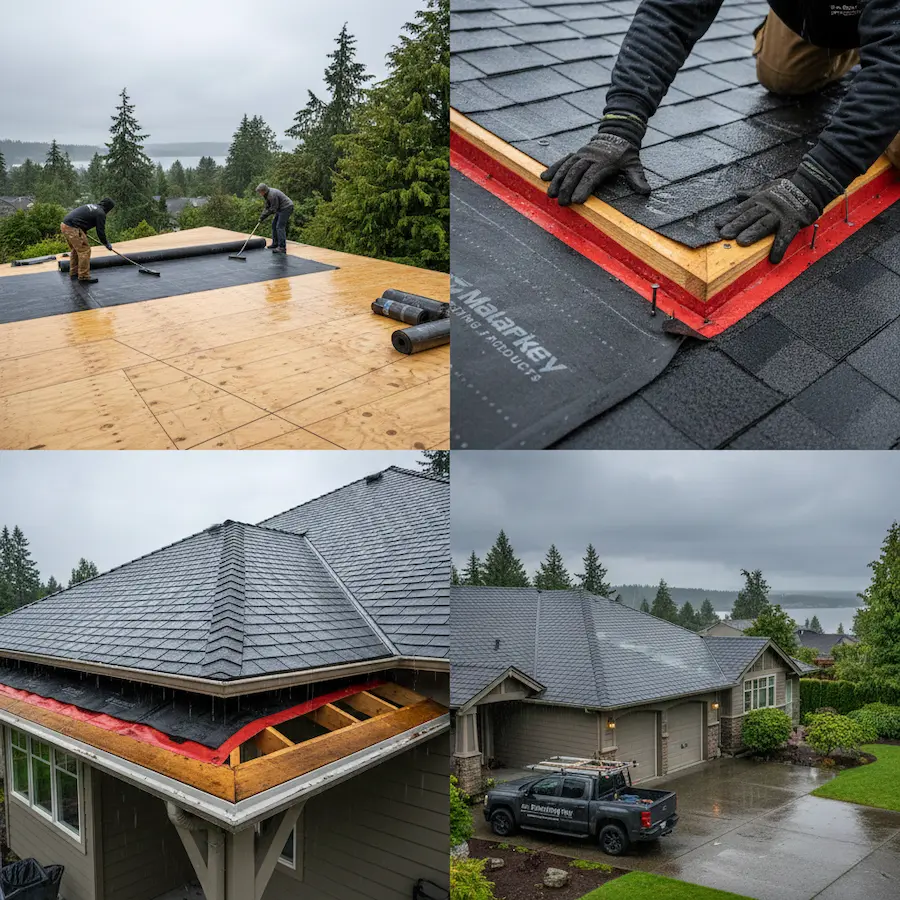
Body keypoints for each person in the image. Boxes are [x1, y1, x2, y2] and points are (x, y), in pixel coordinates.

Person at [541, 0, 900, 264]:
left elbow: (894, 70)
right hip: (822, 14)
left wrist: (812, 185)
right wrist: (619, 126)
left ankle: (875, 44)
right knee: (782, 77)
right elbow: (671, 12)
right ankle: (867, 42)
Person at [60, 198, 115, 283]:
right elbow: (100, 231)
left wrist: (82, 231)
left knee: (76, 250)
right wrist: (106, 243)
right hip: (72, 227)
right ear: (108, 207)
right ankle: (84, 277)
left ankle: (74, 273)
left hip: (65, 225)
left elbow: (82, 219)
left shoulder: (94, 207)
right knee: (84, 250)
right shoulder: (101, 213)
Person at [256, 183, 294, 254]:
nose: (259, 193)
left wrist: (264, 216)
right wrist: (261, 217)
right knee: (274, 225)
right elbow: (267, 207)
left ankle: (282, 247)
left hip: (286, 207)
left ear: (264, 191)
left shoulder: (272, 195)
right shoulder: (266, 195)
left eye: (260, 191)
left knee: (280, 227)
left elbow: (273, 209)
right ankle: (275, 243)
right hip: (280, 208)